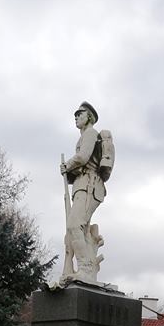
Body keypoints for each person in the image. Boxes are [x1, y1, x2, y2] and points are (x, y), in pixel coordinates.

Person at [60, 101, 106, 282]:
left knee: (74, 225)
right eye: (75, 115)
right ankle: (85, 268)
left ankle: (85, 269)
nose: (76, 117)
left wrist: (67, 165)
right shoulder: (84, 136)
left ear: (89, 117)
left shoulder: (91, 133)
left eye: (80, 114)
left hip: (89, 184)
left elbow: (83, 157)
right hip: (82, 184)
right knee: (81, 229)